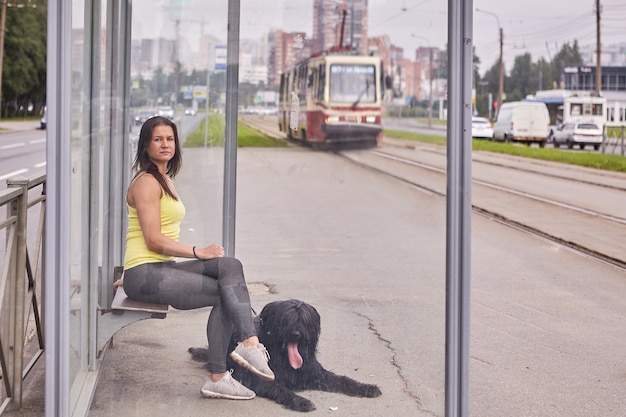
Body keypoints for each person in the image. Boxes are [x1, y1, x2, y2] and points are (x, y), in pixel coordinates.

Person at [114, 115, 274, 400]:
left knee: (230, 266)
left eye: (170, 139)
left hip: (156, 269)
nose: (165, 144)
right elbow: (152, 239)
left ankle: (247, 344)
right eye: (158, 139)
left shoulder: (164, 178)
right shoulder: (147, 183)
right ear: (145, 145)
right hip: (146, 275)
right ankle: (220, 373)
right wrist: (197, 251)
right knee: (227, 294)